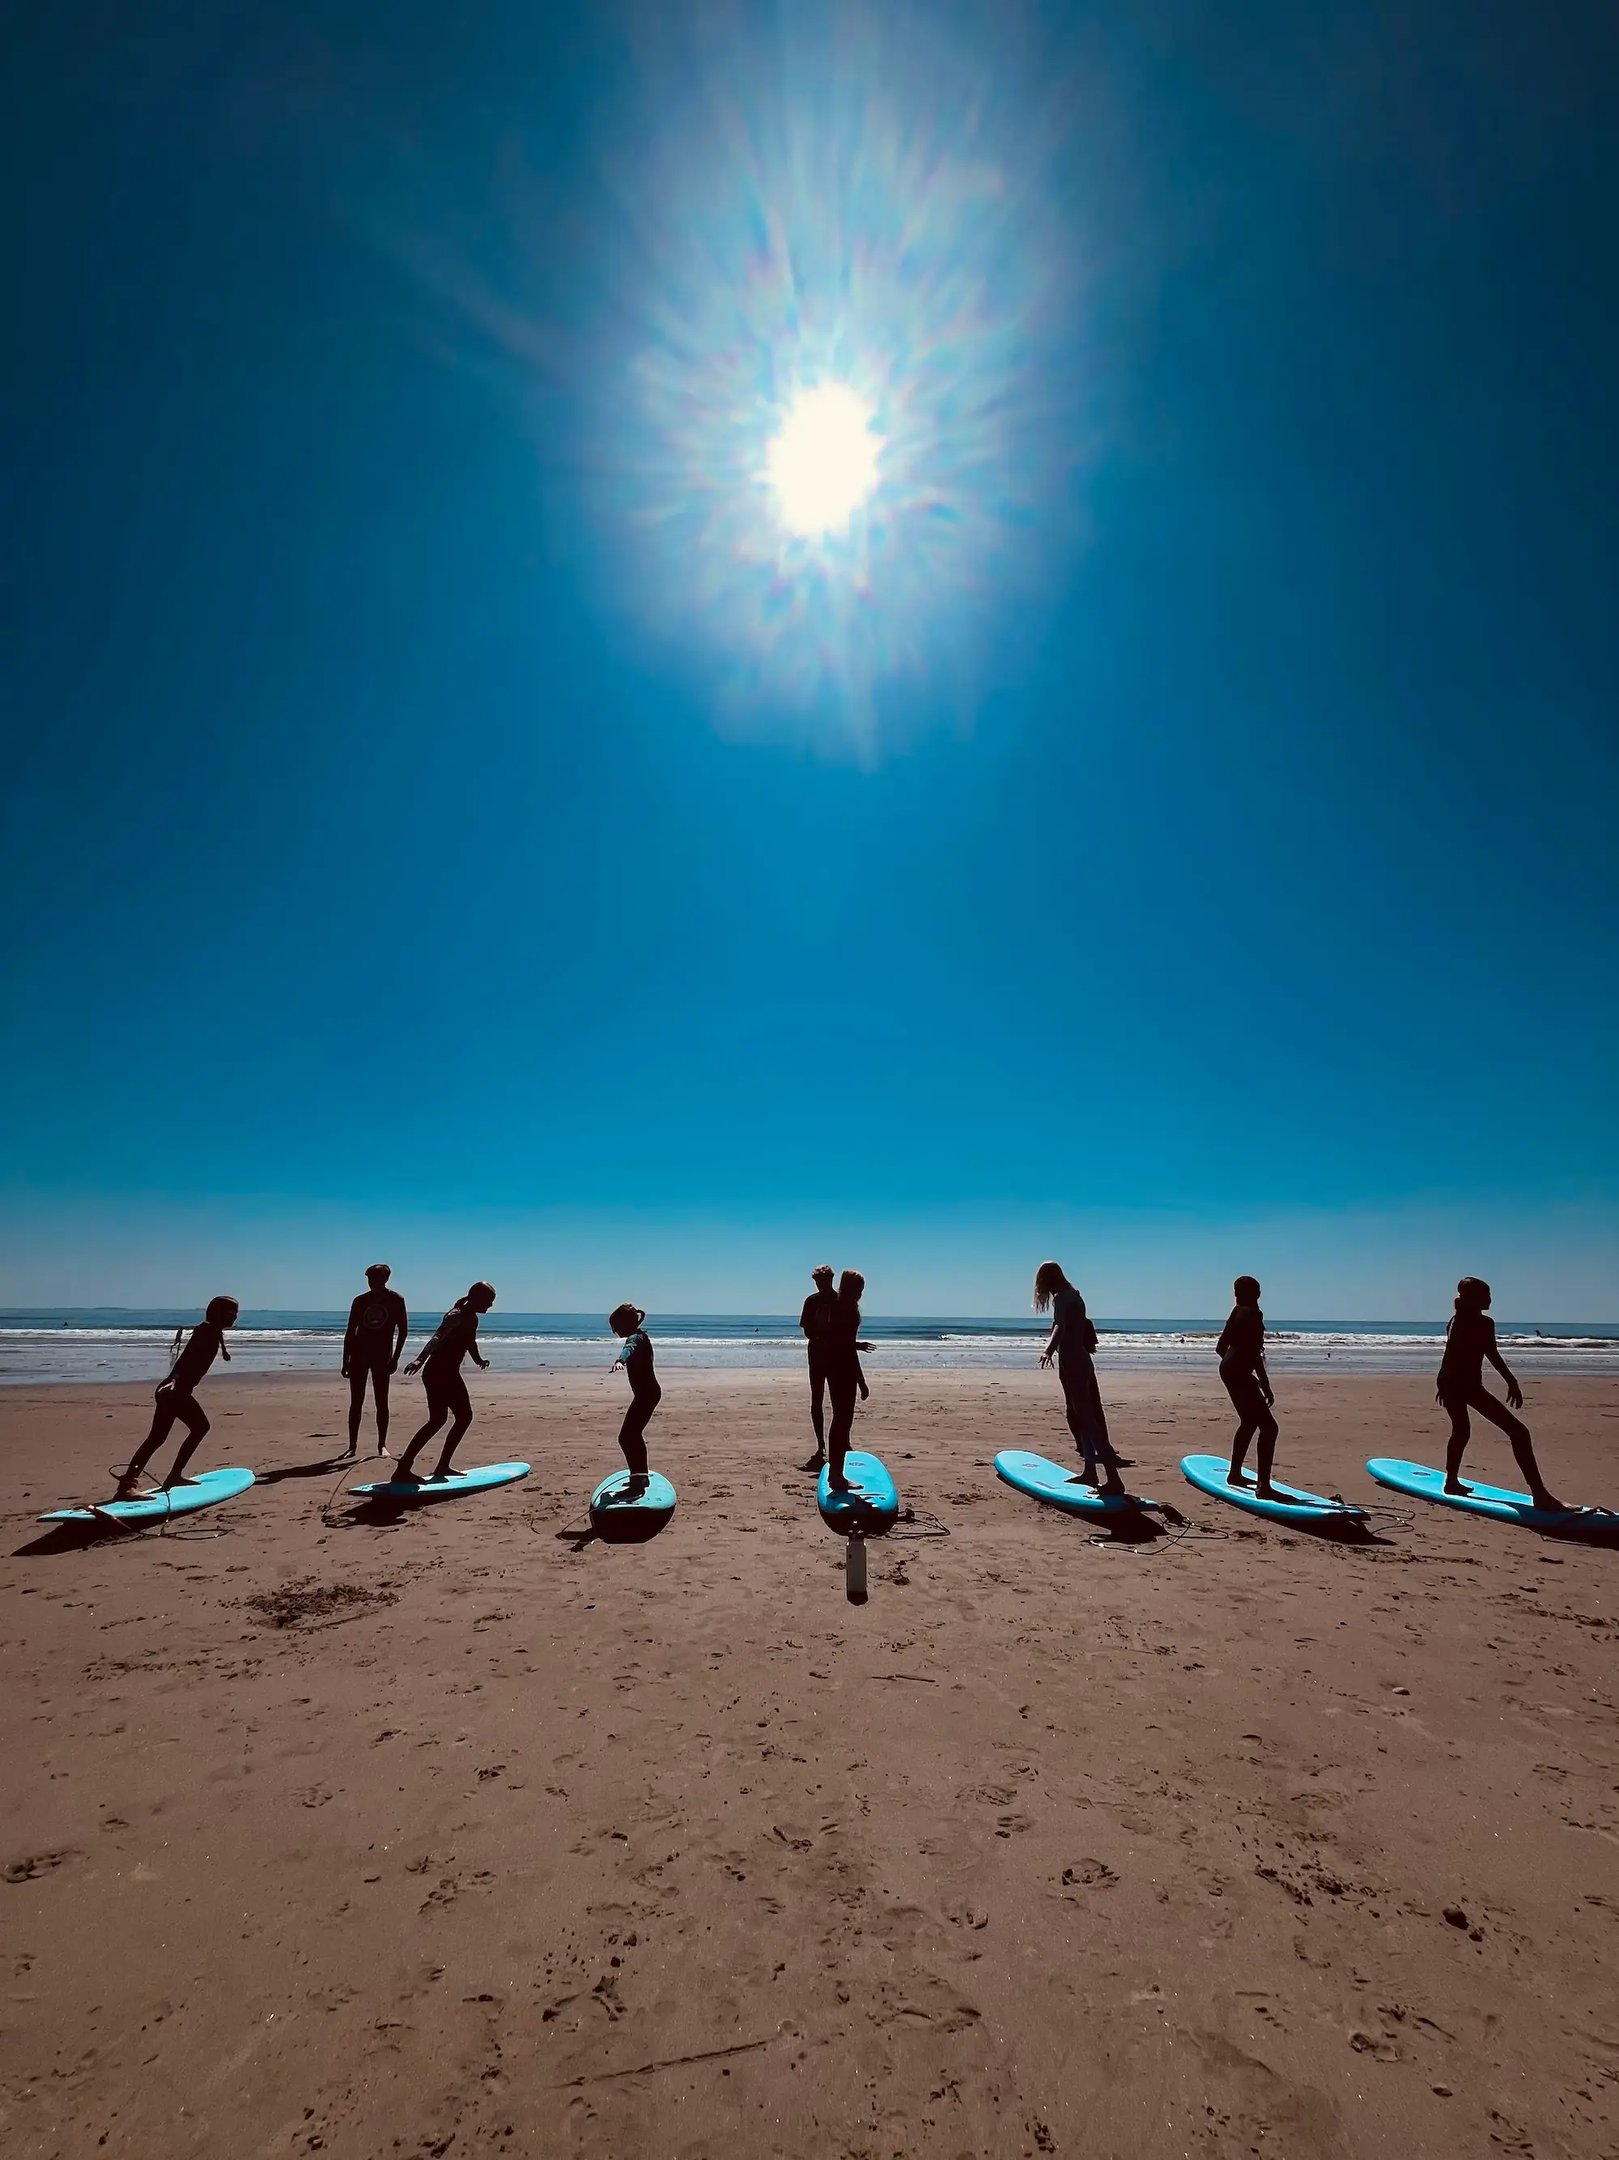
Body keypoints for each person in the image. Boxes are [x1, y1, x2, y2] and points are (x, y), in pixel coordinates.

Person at [1438, 1278, 1565, 1510]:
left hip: (1453, 1383)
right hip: (1463, 1386)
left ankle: (1451, 1481)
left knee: (1461, 1431)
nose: (1490, 1300)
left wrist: (1442, 1384)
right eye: (1486, 1295)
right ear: (1475, 1298)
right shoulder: (1481, 1323)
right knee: (1518, 1432)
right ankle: (1539, 1494)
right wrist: (1512, 1382)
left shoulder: (1458, 1320)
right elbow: (1490, 1354)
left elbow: (1455, 1355)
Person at [114, 1297, 239, 1499]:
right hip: (175, 1390)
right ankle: (145, 1482)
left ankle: (143, 1481)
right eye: (231, 1312)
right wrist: (175, 1380)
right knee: (198, 1428)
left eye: (236, 1312)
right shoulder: (205, 1332)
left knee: (157, 1438)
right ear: (218, 1313)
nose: (235, 1316)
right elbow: (187, 1359)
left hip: (176, 1390)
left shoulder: (211, 1331)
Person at [1034, 1261, 1127, 1496]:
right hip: (1080, 1360)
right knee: (1083, 1417)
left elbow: (1060, 1327)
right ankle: (1090, 1472)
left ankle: (1114, 1479)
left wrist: (1048, 1350)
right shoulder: (1074, 1295)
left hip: (1074, 1361)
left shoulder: (1063, 1299)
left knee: (1087, 1419)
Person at [390, 1282, 496, 1484]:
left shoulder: (472, 1318)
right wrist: (420, 1359)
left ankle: (438, 1466)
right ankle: (407, 1467)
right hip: (438, 1373)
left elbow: (469, 1342)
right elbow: (437, 1337)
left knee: (453, 1418)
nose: (490, 1306)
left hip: (448, 1373)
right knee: (446, 1419)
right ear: (476, 1298)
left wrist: (478, 1360)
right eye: (489, 1301)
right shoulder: (456, 1315)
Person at [1217, 1275, 1279, 1497]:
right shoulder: (1253, 1313)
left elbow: (1220, 1347)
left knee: (1249, 1421)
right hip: (1236, 1371)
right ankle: (1263, 1486)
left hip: (1227, 1369)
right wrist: (1263, 1382)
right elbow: (1253, 1353)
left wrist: (1236, 1368)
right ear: (1257, 1294)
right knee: (1270, 1428)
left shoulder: (1236, 1312)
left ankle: (1234, 1473)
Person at [341, 1263, 409, 1459]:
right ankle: (352, 1445)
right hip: (359, 1355)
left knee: (382, 1401)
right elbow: (350, 1331)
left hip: (382, 1356)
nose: (372, 1283)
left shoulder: (395, 1300)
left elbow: (403, 1331)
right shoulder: (360, 1301)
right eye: (369, 1280)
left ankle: (382, 1444)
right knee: (356, 1402)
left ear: (385, 1279)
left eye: (375, 1279)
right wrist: (345, 1359)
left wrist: (395, 1357)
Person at [823, 1269, 872, 1493]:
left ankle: (836, 1473)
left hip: (832, 1368)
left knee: (840, 1422)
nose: (861, 1294)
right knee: (843, 1422)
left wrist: (855, 1345)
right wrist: (861, 1381)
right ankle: (837, 1477)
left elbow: (839, 1342)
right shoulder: (849, 1312)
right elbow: (847, 1350)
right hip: (843, 1370)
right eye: (859, 1290)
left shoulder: (835, 1308)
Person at [608, 1303, 662, 1497]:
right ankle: (640, 1477)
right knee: (632, 1435)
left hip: (647, 1394)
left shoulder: (635, 1338)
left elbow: (629, 1349)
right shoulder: (641, 1336)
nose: (614, 1331)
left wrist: (620, 1361)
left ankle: (638, 1480)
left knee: (627, 1437)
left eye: (615, 1326)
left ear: (625, 1323)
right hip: (647, 1394)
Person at [798, 1263, 838, 1472]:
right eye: (818, 1282)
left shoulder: (839, 1301)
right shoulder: (811, 1301)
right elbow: (807, 1330)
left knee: (837, 1402)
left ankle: (836, 1446)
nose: (821, 1285)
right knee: (817, 1400)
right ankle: (821, 1446)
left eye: (823, 1281)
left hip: (834, 1354)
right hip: (817, 1354)